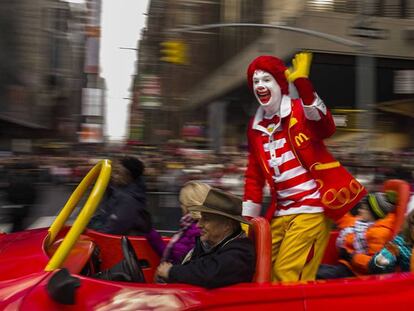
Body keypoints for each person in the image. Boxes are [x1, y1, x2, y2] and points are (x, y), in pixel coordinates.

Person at [242, 52, 367, 282]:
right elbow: (254, 175)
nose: (260, 85)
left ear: (280, 83)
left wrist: (303, 85)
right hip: (280, 212)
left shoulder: (299, 110)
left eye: (266, 79)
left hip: (312, 208)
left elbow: (326, 127)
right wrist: (246, 221)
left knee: (288, 274)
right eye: (256, 81)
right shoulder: (254, 127)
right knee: (261, 273)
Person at [155, 183, 255, 288]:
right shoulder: (208, 245)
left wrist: (171, 272)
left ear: (227, 225)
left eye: (206, 219)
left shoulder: (240, 253)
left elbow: (209, 273)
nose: (198, 224)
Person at [317, 191, 396, 279]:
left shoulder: (379, 233)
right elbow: (344, 218)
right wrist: (331, 200)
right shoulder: (360, 222)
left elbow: (375, 263)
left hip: (357, 274)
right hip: (345, 266)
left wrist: (351, 257)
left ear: (374, 213)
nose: (359, 210)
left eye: (364, 208)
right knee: (311, 269)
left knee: (319, 275)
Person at [88, 156, 152, 235]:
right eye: (114, 172)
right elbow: (103, 217)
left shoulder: (129, 201)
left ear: (129, 177)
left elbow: (113, 230)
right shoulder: (115, 193)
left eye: (118, 173)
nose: (113, 176)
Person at [144, 181, 202, 264]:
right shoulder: (187, 226)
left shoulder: (194, 231)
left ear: (189, 205)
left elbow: (175, 259)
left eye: (182, 203)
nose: (181, 207)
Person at [368, 210, 414, 274]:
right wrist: (379, 262)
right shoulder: (401, 242)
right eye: (413, 224)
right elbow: (374, 269)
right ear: (409, 226)